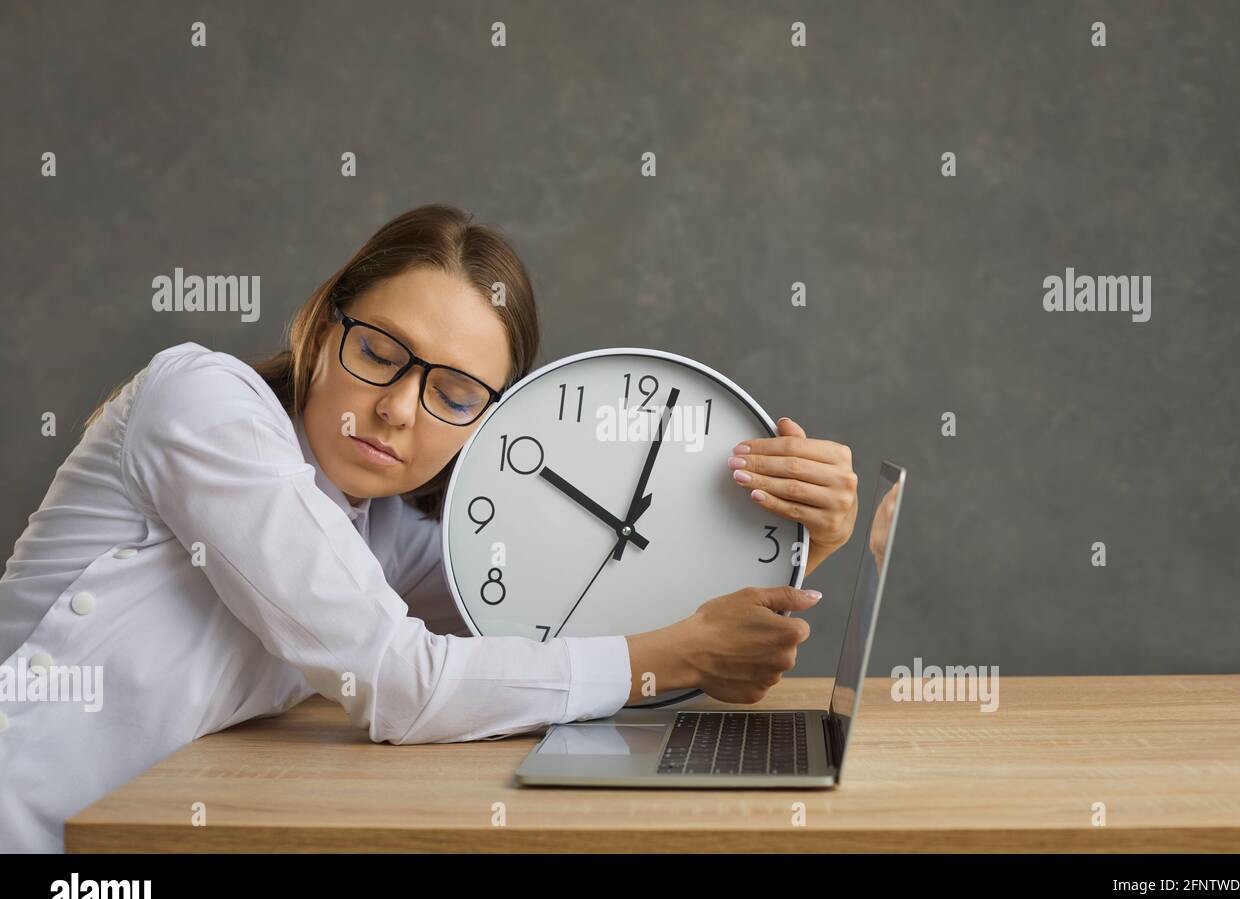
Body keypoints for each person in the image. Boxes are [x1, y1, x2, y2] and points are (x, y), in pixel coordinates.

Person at [0, 204, 860, 852]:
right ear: (319, 323)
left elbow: (559, 630)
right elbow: (401, 681)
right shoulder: (203, 404)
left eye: (453, 395)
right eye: (379, 351)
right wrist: (688, 653)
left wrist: (788, 547)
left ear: (487, 422)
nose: (397, 409)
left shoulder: (388, 538)